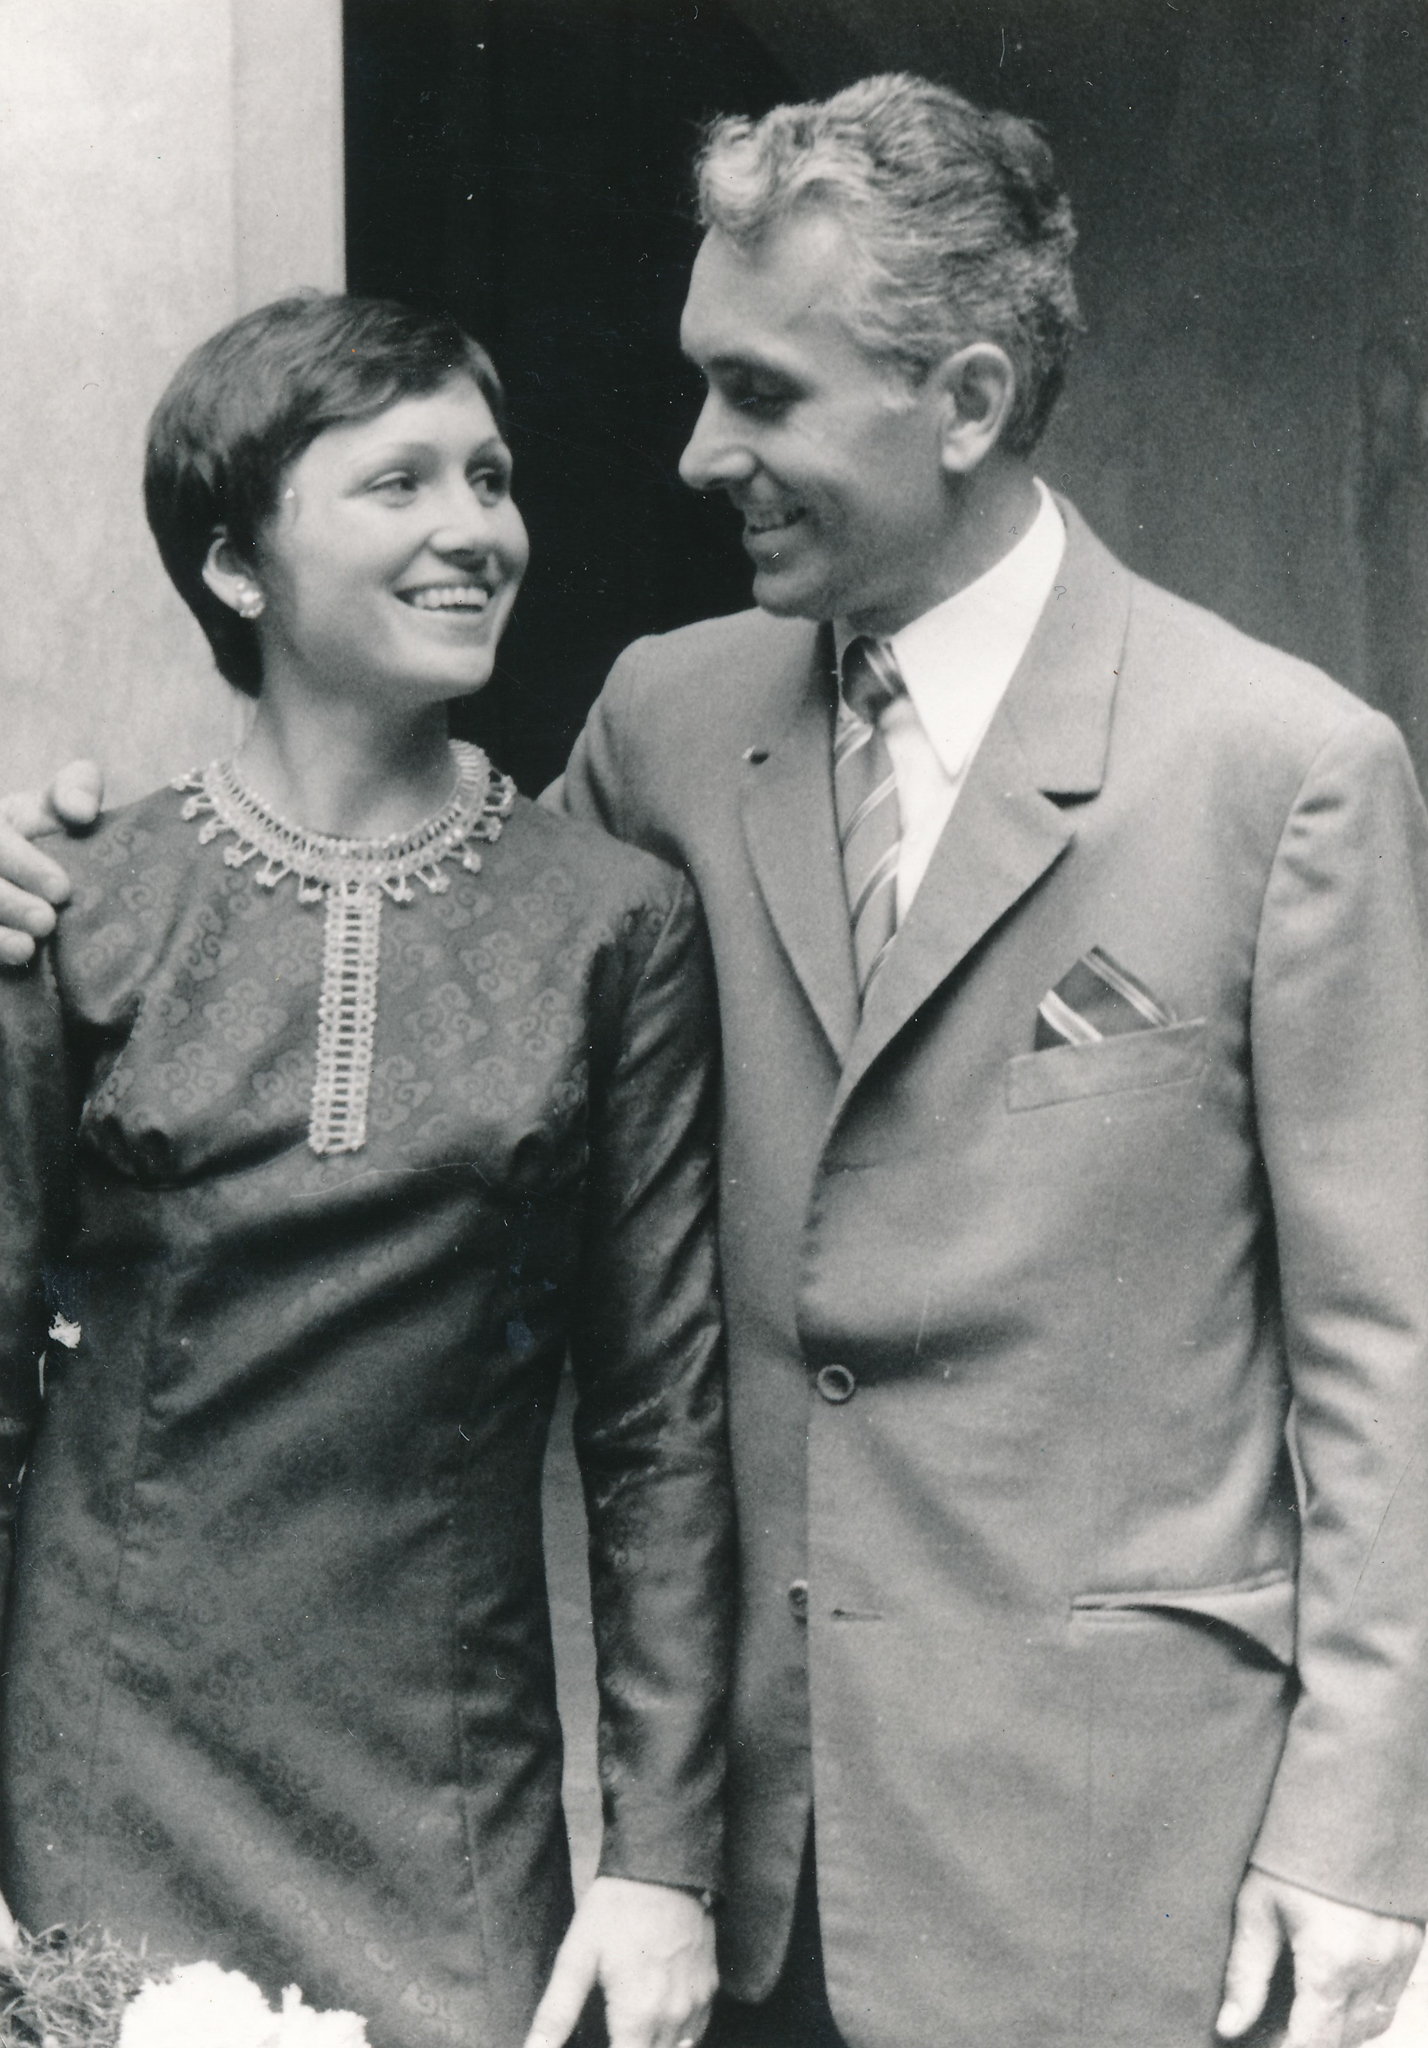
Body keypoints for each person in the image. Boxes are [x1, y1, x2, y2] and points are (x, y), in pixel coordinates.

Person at [6, 71, 1428, 2048]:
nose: (694, 453)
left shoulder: (1280, 768)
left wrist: (1362, 1835)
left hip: (1114, 1847)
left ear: (966, 400)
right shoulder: (667, 720)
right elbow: (422, 976)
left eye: (759, 393)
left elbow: (1390, 1354)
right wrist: (62, 890)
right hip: (751, 1854)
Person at [0, 292, 730, 2048]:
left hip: (443, 1787)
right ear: (234, 564)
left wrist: (663, 1856)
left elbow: (659, 1420)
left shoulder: (613, 925)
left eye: (490, 478)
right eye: (397, 484)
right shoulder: (83, 904)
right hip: (98, 1762)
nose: (474, 528)